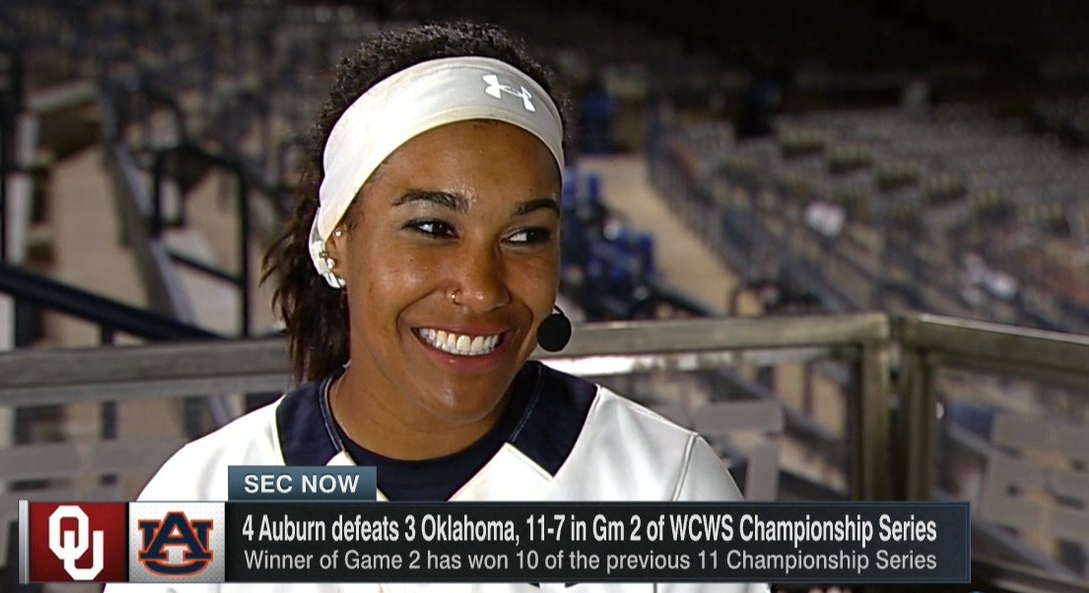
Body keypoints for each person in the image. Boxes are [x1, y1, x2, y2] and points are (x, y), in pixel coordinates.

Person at [109, 22, 764, 593]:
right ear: (338, 241)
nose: (481, 289)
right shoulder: (202, 497)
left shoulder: (665, 487)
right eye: (431, 227)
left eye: (526, 235)